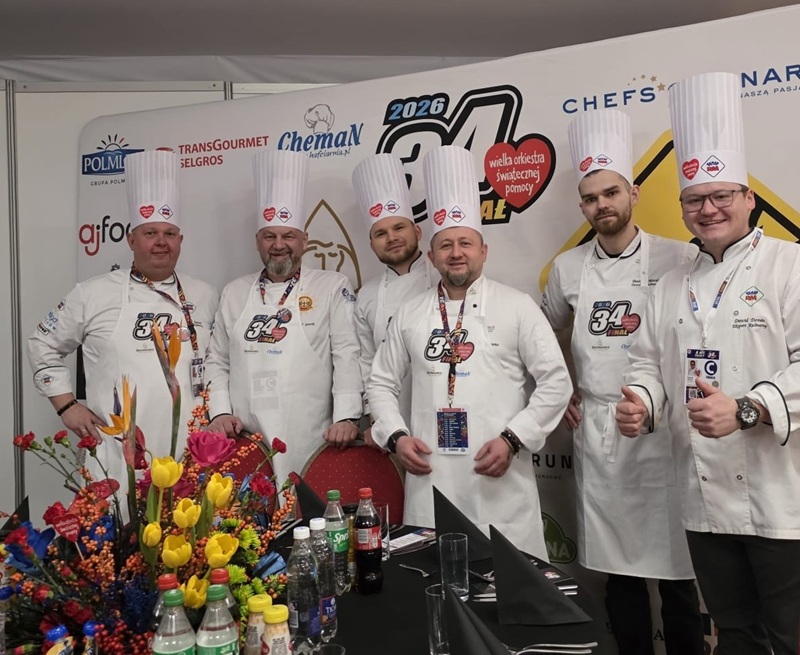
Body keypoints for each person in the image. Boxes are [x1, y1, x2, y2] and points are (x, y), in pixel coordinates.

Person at [615, 72, 800, 655]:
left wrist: (747, 408)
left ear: (749, 199)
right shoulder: (670, 284)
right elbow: (647, 365)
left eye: (722, 195)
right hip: (703, 502)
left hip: (781, 497)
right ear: (682, 208)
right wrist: (641, 402)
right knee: (734, 632)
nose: (709, 209)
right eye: (695, 199)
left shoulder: (789, 266)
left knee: (789, 636)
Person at [541, 109, 702, 655]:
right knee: (620, 576)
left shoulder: (679, 256)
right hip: (601, 435)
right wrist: (560, 388)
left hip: (666, 433)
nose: (601, 205)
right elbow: (542, 337)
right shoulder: (567, 269)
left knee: (679, 576)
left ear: (633, 193)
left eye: (611, 193)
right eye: (590, 198)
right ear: (582, 207)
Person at [367, 145, 571, 557]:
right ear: (431, 256)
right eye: (445, 245)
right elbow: (380, 383)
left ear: (483, 250)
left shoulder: (516, 306)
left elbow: (556, 381)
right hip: (431, 478)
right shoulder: (409, 314)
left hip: (500, 477)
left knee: (509, 582)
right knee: (436, 579)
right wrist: (396, 437)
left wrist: (513, 439)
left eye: (466, 242)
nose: (456, 253)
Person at [28, 149, 219, 486]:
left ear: (181, 241)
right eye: (150, 233)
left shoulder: (205, 294)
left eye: (169, 234)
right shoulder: (92, 293)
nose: (161, 243)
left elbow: (219, 364)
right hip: (116, 455)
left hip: (190, 454)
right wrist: (67, 406)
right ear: (131, 240)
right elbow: (41, 344)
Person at [204, 149, 362, 483]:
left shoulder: (332, 286)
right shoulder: (234, 291)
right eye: (269, 236)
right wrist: (219, 412)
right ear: (257, 242)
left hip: (312, 436)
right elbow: (217, 360)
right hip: (245, 439)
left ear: (304, 241)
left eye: (288, 236)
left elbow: (346, 354)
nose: (279, 245)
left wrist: (347, 417)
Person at [351, 154, 436, 447]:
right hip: (392, 425)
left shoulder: (446, 279)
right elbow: (366, 361)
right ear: (371, 243)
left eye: (399, 228)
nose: (391, 238)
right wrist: (377, 420)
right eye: (380, 233)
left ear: (417, 231)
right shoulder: (366, 295)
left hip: (445, 411)